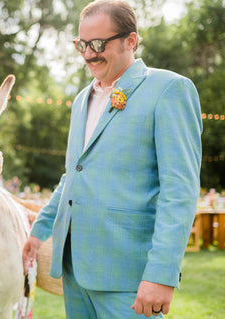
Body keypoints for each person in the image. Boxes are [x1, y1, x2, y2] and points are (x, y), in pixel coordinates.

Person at [22, 1, 202, 318]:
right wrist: (39, 231)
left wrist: (161, 273)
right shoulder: (81, 100)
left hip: (129, 277)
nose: (89, 54)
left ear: (130, 41)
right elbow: (73, 175)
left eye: (98, 44)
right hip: (74, 271)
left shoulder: (170, 89)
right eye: (82, 44)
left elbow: (180, 191)